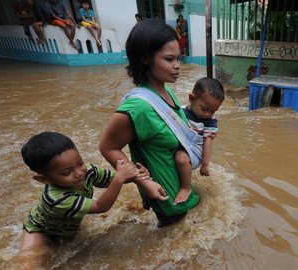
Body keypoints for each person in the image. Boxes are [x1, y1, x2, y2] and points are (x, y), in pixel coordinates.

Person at [99, 20, 200, 227]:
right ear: (145, 58)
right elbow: (107, 147)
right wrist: (144, 182)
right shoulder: (139, 108)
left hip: (183, 191)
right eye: (169, 59)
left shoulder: (166, 92)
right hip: (168, 201)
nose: (177, 66)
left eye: (178, 58)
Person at [17, 131, 168, 267]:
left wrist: (136, 174)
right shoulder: (56, 198)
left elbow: (113, 179)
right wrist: (121, 177)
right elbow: (100, 207)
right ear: (43, 179)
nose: (79, 173)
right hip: (41, 230)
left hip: (65, 226)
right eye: (66, 172)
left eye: (80, 163)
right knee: (29, 263)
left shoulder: (88, 171)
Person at [173, 77, 224, 205]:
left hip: (195, 152)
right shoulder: (181, 111)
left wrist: (205, 165)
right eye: (204, 109)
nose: (208, 114)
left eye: (213, 111)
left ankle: (185, 188)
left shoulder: (209, 122)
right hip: (183, 144)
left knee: (181, 158)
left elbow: (208, 142)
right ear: (191, 98)